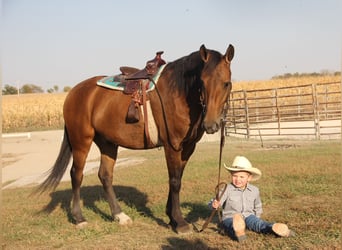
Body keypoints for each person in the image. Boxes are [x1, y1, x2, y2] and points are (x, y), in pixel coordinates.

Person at [210, 155, 294, 242]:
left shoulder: (254, 190)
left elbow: (257, 205)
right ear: (231, 175)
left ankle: (275, 228)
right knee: (231, 225)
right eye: (235, 176)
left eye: (241, 177)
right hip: (231, 217)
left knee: (259, 224)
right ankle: (238, 232)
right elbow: (215, 202)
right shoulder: (226, 189)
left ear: (249, 178)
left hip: (248, 216)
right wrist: (214, 204)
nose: (238, 179)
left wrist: (256, 217)